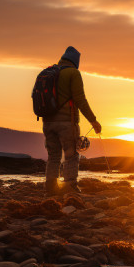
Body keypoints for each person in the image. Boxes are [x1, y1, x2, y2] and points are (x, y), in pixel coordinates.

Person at [43, 46, 102, 196]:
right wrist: (93, 121)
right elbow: (80, 100)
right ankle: (70, 188)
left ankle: (50, 188)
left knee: (53, 155)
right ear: (76, 61)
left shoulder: (50, 72)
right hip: (67, 123)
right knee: (71, 155)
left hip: (47, 122)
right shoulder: (73, 73)